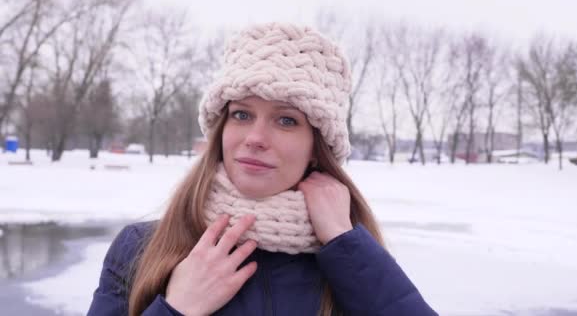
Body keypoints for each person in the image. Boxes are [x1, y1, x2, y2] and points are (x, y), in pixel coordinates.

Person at [87, 23, 437, 316]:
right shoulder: (141, 248)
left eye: (286, 120)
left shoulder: (347, 257)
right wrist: (177, 308)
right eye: (241, 114)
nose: (255, 138)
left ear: (317, 148)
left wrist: (345, 243)